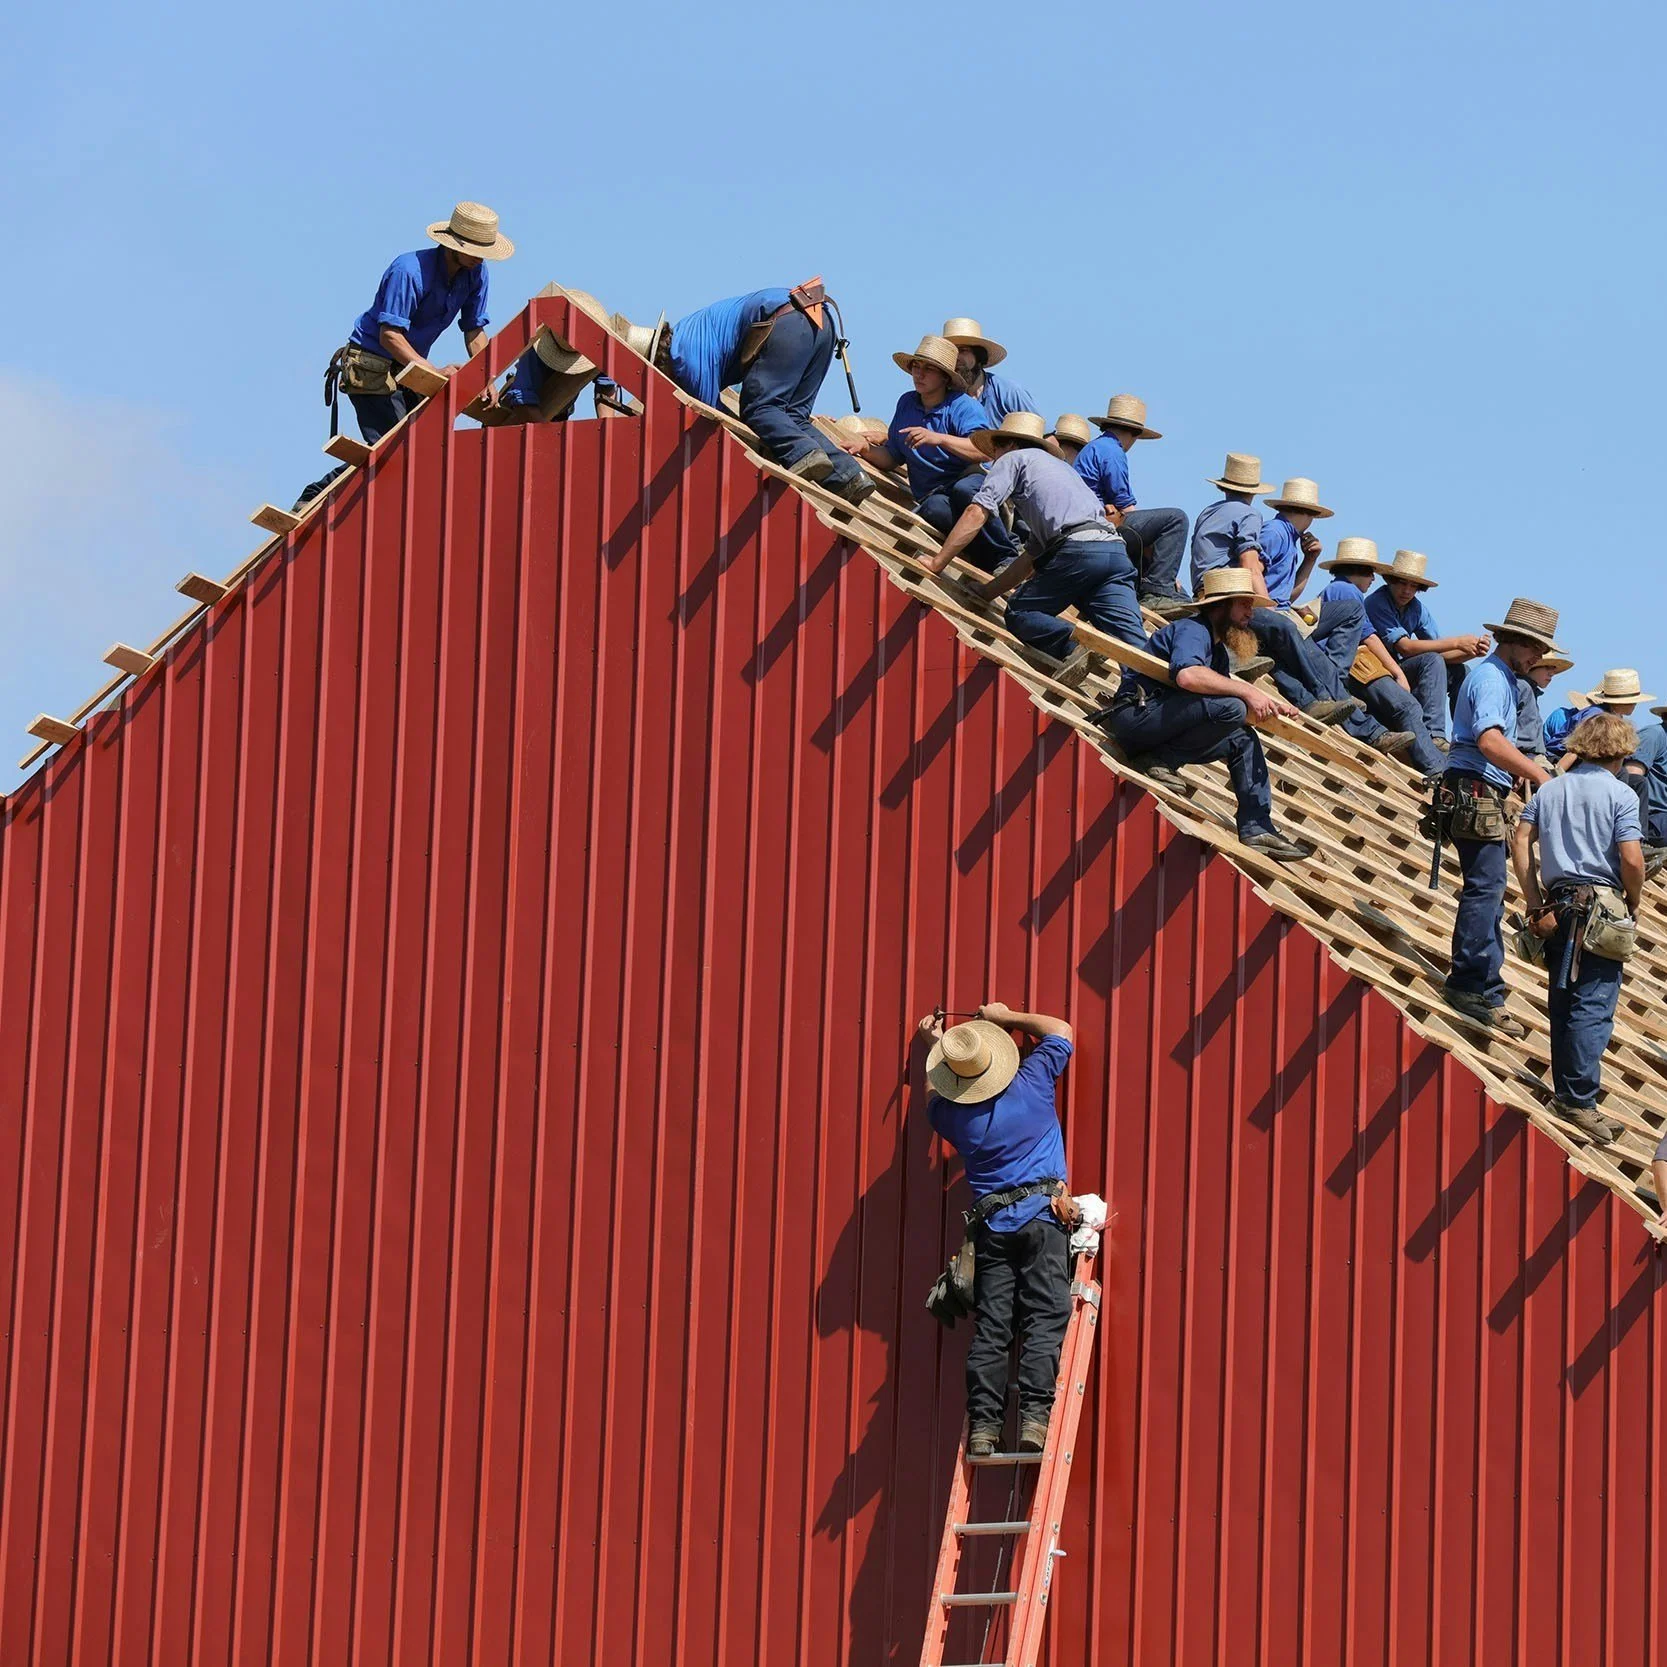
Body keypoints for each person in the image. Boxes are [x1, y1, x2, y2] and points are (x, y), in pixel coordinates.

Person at [916, 1001, 1079, 1455]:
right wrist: (1006, 1017)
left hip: (992, 1230)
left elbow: (932, 1094)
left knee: (993, 1329)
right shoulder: (1032, 1085)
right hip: (1043, 1221)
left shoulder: (954, 1118)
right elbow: (1061, 1030)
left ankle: (985, 1429)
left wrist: (937, 1046)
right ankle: (1033, 1420)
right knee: (1045, 1319)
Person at [296, 202, 514, 506]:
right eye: (476, 251)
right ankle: (315, 499)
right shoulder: (409, 270)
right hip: (371, 361)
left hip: (408, 366)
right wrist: (434, 372)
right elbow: (390, 336)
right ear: (454, 245)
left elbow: (474, 331)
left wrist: (486, 376)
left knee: (424, 447)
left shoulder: (475, 275)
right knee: (395, 450)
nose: (480, 259)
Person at [1092, 568, 1314, 862]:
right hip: (1138, 718)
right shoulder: (1193, 630)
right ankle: (1159, 759)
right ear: (1221, 605)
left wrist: (1272, 706)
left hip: (1163, 724)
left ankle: (1257, 826)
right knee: (1233, 708)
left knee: (1243, 738)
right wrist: (1247, 692)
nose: (1250, 613)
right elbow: (1188, 676)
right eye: (1244, 604)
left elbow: (1216, 695)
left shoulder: (1217, 650)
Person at [1194, 467, 1414, 755]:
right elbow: (1251, 570)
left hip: (1274, 610)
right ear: (1308, 513)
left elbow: (1289, 592)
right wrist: (1270, 610)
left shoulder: (1289, 539)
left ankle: (1345, 702)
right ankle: (1335, 694)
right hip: (1257, 609)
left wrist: (1310, 560)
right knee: (1329, 621)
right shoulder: (1275, 532)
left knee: (1304, 643)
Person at [927, 412, 1146, 680]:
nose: (993, 458)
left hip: (1078, 551)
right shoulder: (1062, 473)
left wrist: (937, 563)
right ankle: (1152, 697)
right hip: (1114, 552)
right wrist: (987, 592)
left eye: (995, 449)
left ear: (1007, 444)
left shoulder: (1012, 459)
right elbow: (1030, 557)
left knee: (1021, 612)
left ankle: (1074, 646)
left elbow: (977, 511)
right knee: (1135, 648)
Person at [1512, 712, 1644, 1144]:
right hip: (1600, 907)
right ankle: (1578, 1101)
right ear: (1621, 753)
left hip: (1558, 903)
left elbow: (1520, 838)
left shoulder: (1550, 790)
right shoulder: (1621, 795)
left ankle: (1569, 1093)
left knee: (1564, 1000)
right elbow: (1630, 859)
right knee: (1593, 1005)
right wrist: (1635, 902)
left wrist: (1533, 900)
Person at [621, 281, 874, 506]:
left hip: (788, 322)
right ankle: (850, 476)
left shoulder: (684, 358)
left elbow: (710, 419)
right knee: (792, 417)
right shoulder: (690, 331)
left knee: (759, 408)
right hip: (821, 322)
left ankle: (804, 453)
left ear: (659, 361)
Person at [1440, 597, 1559, 1035]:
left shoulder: (1505, 680)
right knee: (1485, 888)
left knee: (1487, 888)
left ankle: (1483, 984)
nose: (1539, 658)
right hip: (1474, 788)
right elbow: (1489, 742)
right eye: (1536, 650)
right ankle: (1470, 983)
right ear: (1517, 642)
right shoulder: (1493, 680)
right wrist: (1537, 776)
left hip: (1480, 789)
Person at [845, 336, 1013, 571]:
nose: (919, 374)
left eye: (928, 369)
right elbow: (894, 456)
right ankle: (983, 560)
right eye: (916, 367)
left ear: (945, 377)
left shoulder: (962, 406)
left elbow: (984, 451)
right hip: (935, 495)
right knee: (933, 509)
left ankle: (1006, 555)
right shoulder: (906, 403)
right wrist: (866, 450)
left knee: (963, 490)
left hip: (967, 481)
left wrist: (940, 438)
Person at [1308, 539, 1446, 776]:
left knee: (1436, 663)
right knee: (1407, 706)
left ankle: (1434, 739)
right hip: (1354, 666)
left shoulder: (1340, 589)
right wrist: (1398, 673)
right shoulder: (1349, 591)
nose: (1373, 579)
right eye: (1370, 572)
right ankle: (1437, 769)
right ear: (1358, 571)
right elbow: (1370, 638)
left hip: (1355, 664)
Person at [1071, 395, 1191, 615]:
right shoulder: (1112, 451)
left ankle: (1152, 589)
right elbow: (1126, 507)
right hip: (1097, 526)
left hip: (1087, 524)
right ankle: (1157, 592)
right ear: (1134, 434)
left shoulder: (1096, 447)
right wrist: (1161, 558)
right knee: (1176, 519)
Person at [1363, 550, 1488, 742]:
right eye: (1402, 583)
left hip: (1401, 674)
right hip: (1376, 675)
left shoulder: (1416, 608)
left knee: (1461, 671)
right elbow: (1404, 647)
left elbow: (1440, 655)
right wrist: (1457, 642)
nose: (1406, 591)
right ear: (1390, 580)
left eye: (1413, 585)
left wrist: (1471, 652)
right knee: (1431, 660)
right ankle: (1433, 734)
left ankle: (1466, 739)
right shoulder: (1377, 602)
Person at [941, 317, 1038, 424]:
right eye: (951, 351)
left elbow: (1046, 437)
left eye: (963, 350)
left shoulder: (1008, 392)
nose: (957, 357)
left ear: (978, 356)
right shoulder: (940, 397)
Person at [1555, 670, 1653, 772]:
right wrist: (1554, 777)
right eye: (1632, 700)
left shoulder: (1613, 715)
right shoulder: (1597, 717)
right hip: (1563, 758)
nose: (1636, 703)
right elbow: (1574, 750)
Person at [1515, 649, 1573, 765]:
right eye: (1547, 667)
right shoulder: (1522, 687)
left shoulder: (1529, 691)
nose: (1552, 673)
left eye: (1553, 668)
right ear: (1532, 666)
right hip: (1526, 759)